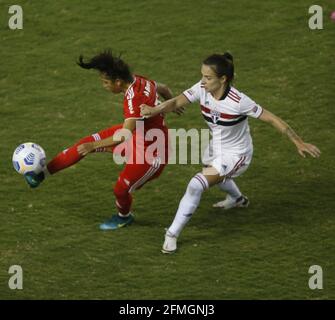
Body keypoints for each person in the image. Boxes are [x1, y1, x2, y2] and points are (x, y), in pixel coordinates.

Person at [140, 52, 321, 253]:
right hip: (216, 146)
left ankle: (171, 234)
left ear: (223, 79)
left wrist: (298, 141)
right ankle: (238, 199)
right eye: (202, 75)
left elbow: (271, 118)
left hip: (237, 155)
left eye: (208, 78)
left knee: (196, 184)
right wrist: (153, 110)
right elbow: (175, 102)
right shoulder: (202, 89)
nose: (202, 81)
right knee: (212, 174)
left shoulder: (239, 101)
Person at [25, 50, 173, 230]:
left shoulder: (133, 100)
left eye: (105, 82)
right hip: (138, 135)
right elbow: (163, 88)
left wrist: (94, 146)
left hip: (152, 153)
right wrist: (172, 104)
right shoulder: (140, 80)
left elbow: (123, 136)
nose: (103, 86)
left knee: (120, 189)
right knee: (82, 145)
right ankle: (41, 175)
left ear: (118, 82)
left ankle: (124, 216)